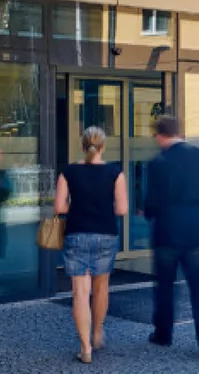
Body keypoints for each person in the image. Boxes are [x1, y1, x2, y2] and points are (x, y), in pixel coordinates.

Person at [144, 115, 199, 360]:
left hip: (168, 233)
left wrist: (148, 213)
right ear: (178, 132)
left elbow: (152, 203)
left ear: (159, 135)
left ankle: (163, 334)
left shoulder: (158, 163)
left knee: (165, 285)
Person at [54, 126, 128, 364]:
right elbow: (122, 209)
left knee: (80, 293)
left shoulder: (69, 172)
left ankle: (85, 348)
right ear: (103, 146)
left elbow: (59, 207)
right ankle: (97, 332)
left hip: (76, 234)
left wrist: (77, 207)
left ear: (82, 145)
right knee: (101, 288)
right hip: (105, 234)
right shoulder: (115, 173)